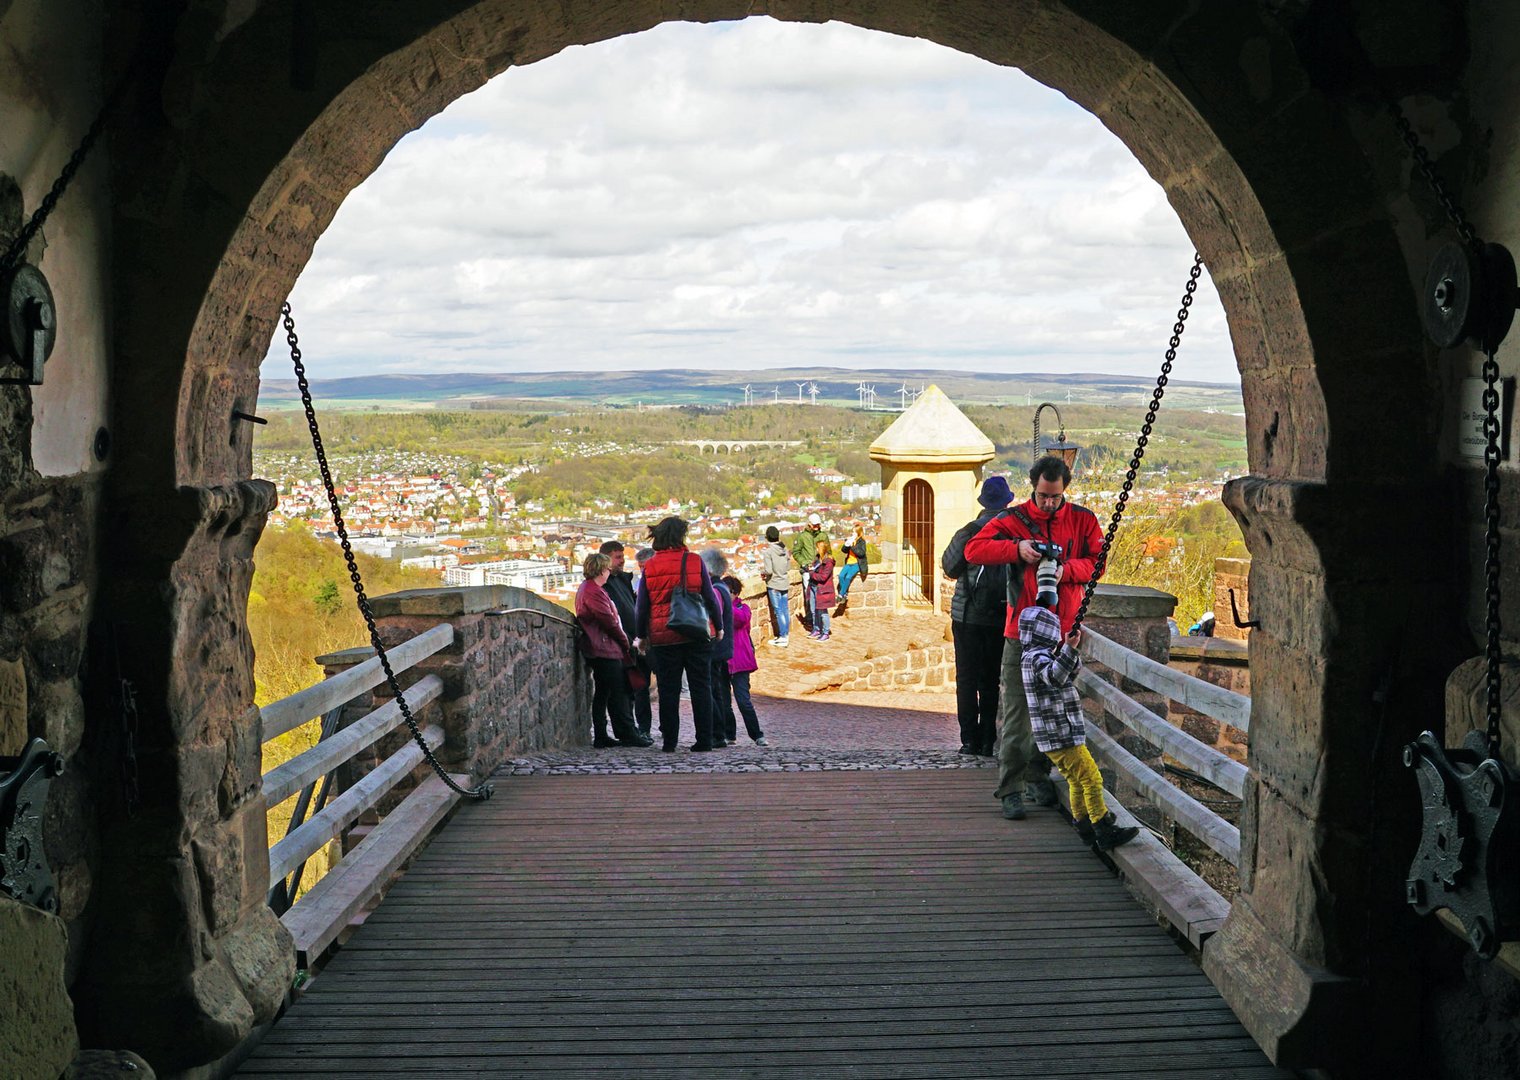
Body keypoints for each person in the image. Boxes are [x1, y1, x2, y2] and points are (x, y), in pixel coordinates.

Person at [964, 455, 1105, 821]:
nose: (1048, 503)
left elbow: (1098, 562)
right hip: (1021, 634)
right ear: (1034, 487)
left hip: (1061, 633)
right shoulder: (1012, 520)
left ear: (1064, 491)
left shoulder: (1083, 520)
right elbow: (974, 550)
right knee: (1017, 715)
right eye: (1043, 496)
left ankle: (1037, 777)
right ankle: (1009, 788)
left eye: (1055, 497)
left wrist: (1066, 571)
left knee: (1053, 714)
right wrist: (1017, 550)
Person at [1018, 607, 1138, 851]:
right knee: (1092, 778)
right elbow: (1056, 677)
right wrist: (1069, 649)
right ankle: (1102, 826)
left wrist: (1067, 652)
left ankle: (1083, 823)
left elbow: (1065, 673)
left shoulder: (1031, 657)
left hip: (1055, 737)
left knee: (1075, 780)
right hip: (1060, 734)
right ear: (1046, 633)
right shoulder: (1037, 659)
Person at [633, 516, 726, 752]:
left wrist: (642, 634)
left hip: (663, 636)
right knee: (700, 687)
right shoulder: (694, 561)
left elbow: (642, 605)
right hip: (695, 632)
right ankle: (704, 740)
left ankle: (670, 742)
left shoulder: (651, 566)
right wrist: (719, 625)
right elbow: (709, 595)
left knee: (668, 690)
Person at [941, 476, 1014, 757]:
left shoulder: (969, 531)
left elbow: (949, 567)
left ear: (983, 502)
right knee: (992, 680)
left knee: (967, 680)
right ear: (1008, 501)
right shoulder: (1016, 532)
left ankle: (968, 740)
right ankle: (987, 740)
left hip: (967, 615)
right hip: (1001, 615)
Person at [575, 552, 651, 748]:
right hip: (604, 648)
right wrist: (624, 640)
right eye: (608, 569)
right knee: (617, 692)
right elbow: (608, 620)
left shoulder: (591, 589)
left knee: (604, 692)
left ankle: (602, 734)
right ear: (601, 569)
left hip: (601, 647)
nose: (610, 572)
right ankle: (624, 733)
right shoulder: (593, 591)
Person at [720, 574, 768, 746]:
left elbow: (741, 620)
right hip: (722, 661)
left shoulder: (743, 608)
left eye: (728, 592)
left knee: (743, 701)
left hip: (740, 662)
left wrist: (724, 605)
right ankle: (729, 734)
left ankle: (757, 734)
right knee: (724, 703)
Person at [700, 547, 735, 749]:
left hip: (714, 648)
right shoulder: (722, 588)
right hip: (722, 648)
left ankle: (718, 733)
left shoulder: (714, 590)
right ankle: (722, 732)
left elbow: (712, 619)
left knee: (714, 691)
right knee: (719, 691)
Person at [628, 546, 657, 735]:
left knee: (666, 686)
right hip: (642, 640)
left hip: (657, 638)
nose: (641, 571)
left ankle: (665, 727)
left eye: (644, 567)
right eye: (640, 567)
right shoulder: (635, 584)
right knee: (641, 687)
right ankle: (644, 727)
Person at [760, 525, 792, 648]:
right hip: (784, 581)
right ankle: (785, 635)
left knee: (778, 611)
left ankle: (783, 637)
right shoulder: (784, 549)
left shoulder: (768, 552)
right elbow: (788, 567)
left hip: (774, 583)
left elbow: (768, 570)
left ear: (767, 537)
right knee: (785, 610)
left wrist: (763, 573)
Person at [791, 512, 823, 630]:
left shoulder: (821, 535)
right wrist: (804, 563)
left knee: (819, 594)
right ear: (809, 525)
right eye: (815, 525)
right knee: (809, 595)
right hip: (807, 571)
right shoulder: (802, 536)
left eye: (818, 525)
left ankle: (819, 619)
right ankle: (810, 619)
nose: (817, 527)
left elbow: (826, 550)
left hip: (819, 569)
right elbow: (796, 552)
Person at [806, 539, 837, 641]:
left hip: (822, 590)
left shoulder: (828, 562)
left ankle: (826, 632)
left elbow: (823, 577)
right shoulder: (817, 560)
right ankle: (817, 629)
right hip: (814, 587)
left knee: (823, 612)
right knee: (814, 610)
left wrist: (811, 573)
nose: (816, 549)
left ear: (821, 549)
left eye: (817, 548)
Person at [835, 523, 868, 615]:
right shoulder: (851, 540)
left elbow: (861, 553)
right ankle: (844, 594)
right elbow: (844, 550)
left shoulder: (862, 541)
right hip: (849, 562)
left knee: (848, 577)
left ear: (858, 533)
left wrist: (852, 547)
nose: (853, 534)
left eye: (854, 532)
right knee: (841, 576)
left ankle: (841, 594)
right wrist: (847, 545)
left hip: (857, 564)